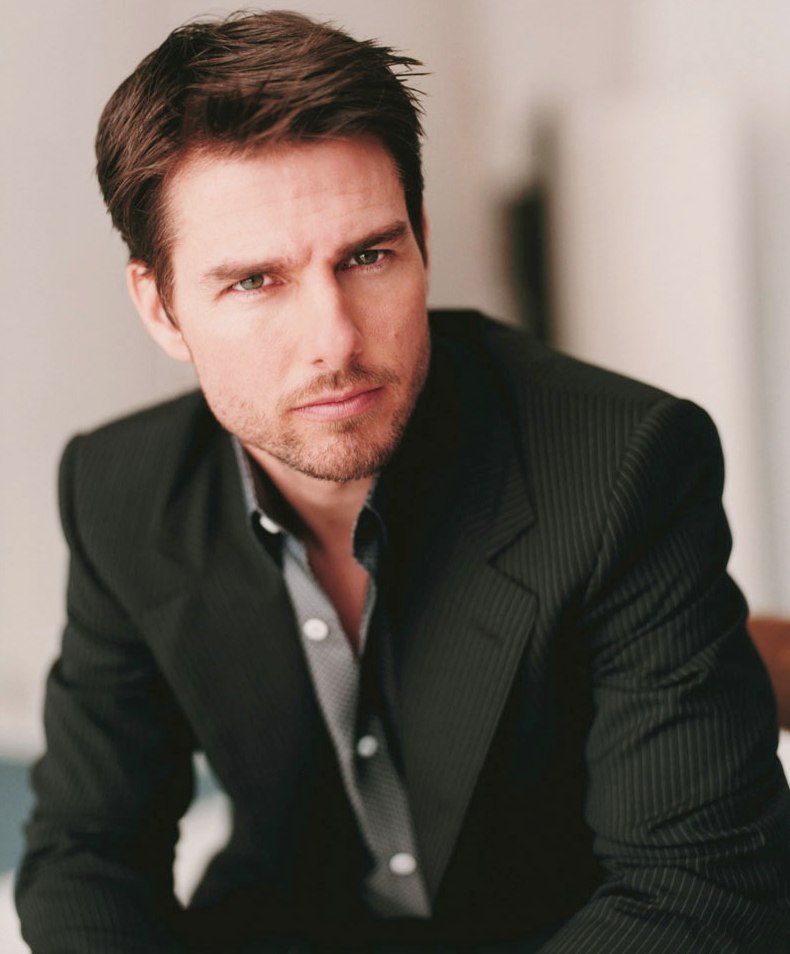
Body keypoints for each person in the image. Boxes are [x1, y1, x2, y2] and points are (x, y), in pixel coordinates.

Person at [15, 10, 790, 953]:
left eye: (368, 256)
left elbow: (698, 886)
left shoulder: (625, 465)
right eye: (255, 281)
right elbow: (88, 851)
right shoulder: (119, 490)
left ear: (421, 240)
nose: (335, 341)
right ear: (161, 306)